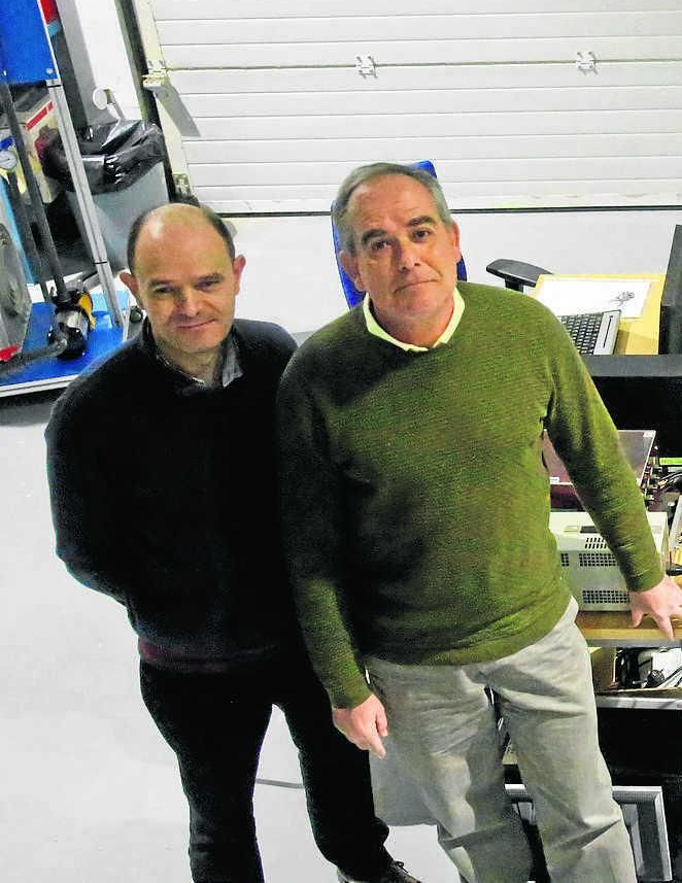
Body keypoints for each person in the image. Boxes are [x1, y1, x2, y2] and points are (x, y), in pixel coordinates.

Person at [277, 163, 682, 882]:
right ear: (352, 265)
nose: (406, 256)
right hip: (415, 662)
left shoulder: (523, 331)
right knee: (474, 831)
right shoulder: (317, 376)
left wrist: (647, 574)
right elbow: (309, 552)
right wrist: (344, 684)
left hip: (536, 630)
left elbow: (597, 459)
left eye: (420, 233)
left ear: (452, 239)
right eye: (377, 243)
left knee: (587, 817)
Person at [46, 203, 416, 883]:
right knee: (220, 821)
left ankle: (365, 866)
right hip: (193, 667)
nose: (191, 305)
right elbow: (85, 553)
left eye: (207, 282)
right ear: (133, 289)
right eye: (165, 289)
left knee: (344, 781)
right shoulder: (90, 413)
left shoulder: (277, 352)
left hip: (305, 643)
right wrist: (182, 592)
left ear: (237, 275)